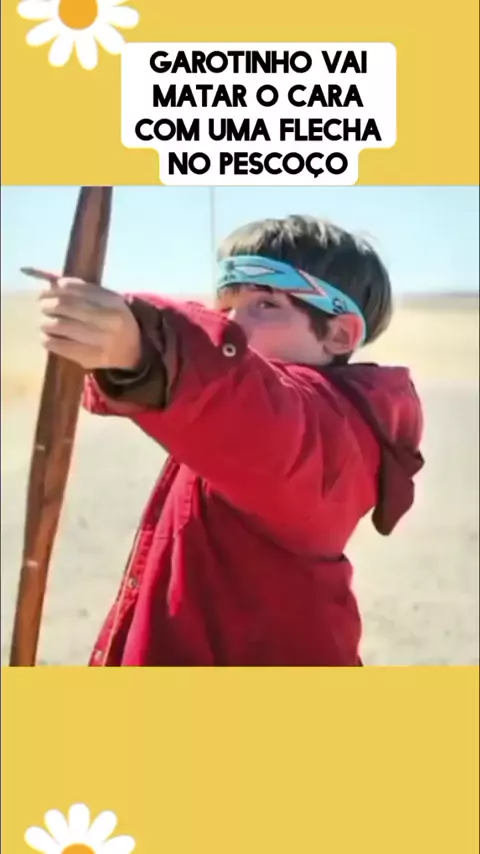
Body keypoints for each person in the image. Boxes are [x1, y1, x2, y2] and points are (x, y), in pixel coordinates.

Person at [36, 214, 424, 666]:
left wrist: (140, 347)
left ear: (339, 334)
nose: (234, 325)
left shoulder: (330, 433)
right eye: (225, 307)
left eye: (265, 305)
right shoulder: (249, 404)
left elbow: (249, 410)